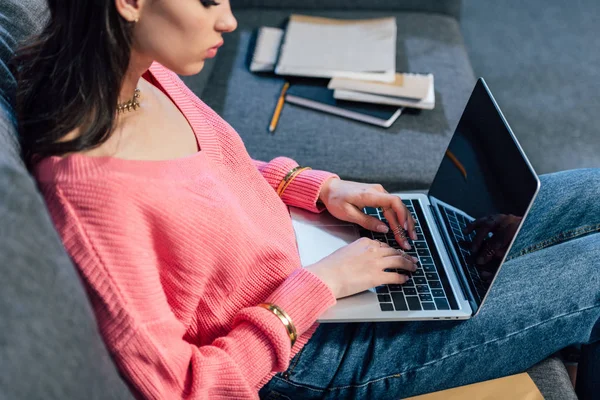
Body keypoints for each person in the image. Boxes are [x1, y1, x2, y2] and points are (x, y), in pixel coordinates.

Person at [12, 0, 599, 399]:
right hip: (306, 358)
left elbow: (218, 178)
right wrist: (322, 285)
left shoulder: (143, 79)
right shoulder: (89, 197)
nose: (230, 21)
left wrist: (322, 191)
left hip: (319, 264)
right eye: (209, 0)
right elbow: (184, 388)